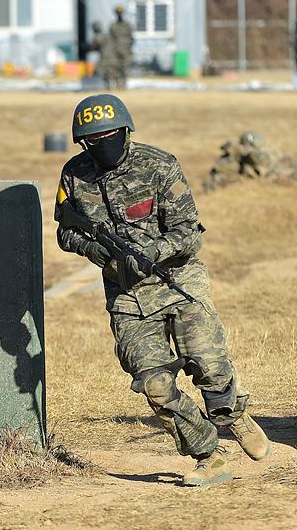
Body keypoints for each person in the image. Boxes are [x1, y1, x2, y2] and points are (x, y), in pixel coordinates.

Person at [53, 94, 271, 486]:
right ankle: (209, 454)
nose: (102, 142)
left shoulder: (159, 165)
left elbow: (189, 232)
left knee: (208, 366)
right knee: (155, 385)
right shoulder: (74, 174)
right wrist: (98, 251)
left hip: (178, 282)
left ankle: (231, 414)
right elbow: (65, 232)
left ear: (125, 131)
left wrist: (152, 252)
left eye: (110, 134)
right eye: (93, 138)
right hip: (128, 298)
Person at [109, 6, 133, 89]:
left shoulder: (127, 25)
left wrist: (129, 49)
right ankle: (117, 83)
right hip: (115, 51)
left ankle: (123, 84)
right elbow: (110, 39)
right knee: (116, 67)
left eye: (120, 12)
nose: (119, 14)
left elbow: (132, 38)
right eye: (118, 12)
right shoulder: (113, 26)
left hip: (126, 51)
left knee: (125, 68)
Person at [88, 22, 117, 88]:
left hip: (105, 57)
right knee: (109, 73)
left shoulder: (97, 37)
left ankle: (95, 86)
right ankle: (109, 87)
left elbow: (93, 47)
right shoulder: (107, 35)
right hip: (113, 57)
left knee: (97, 71)